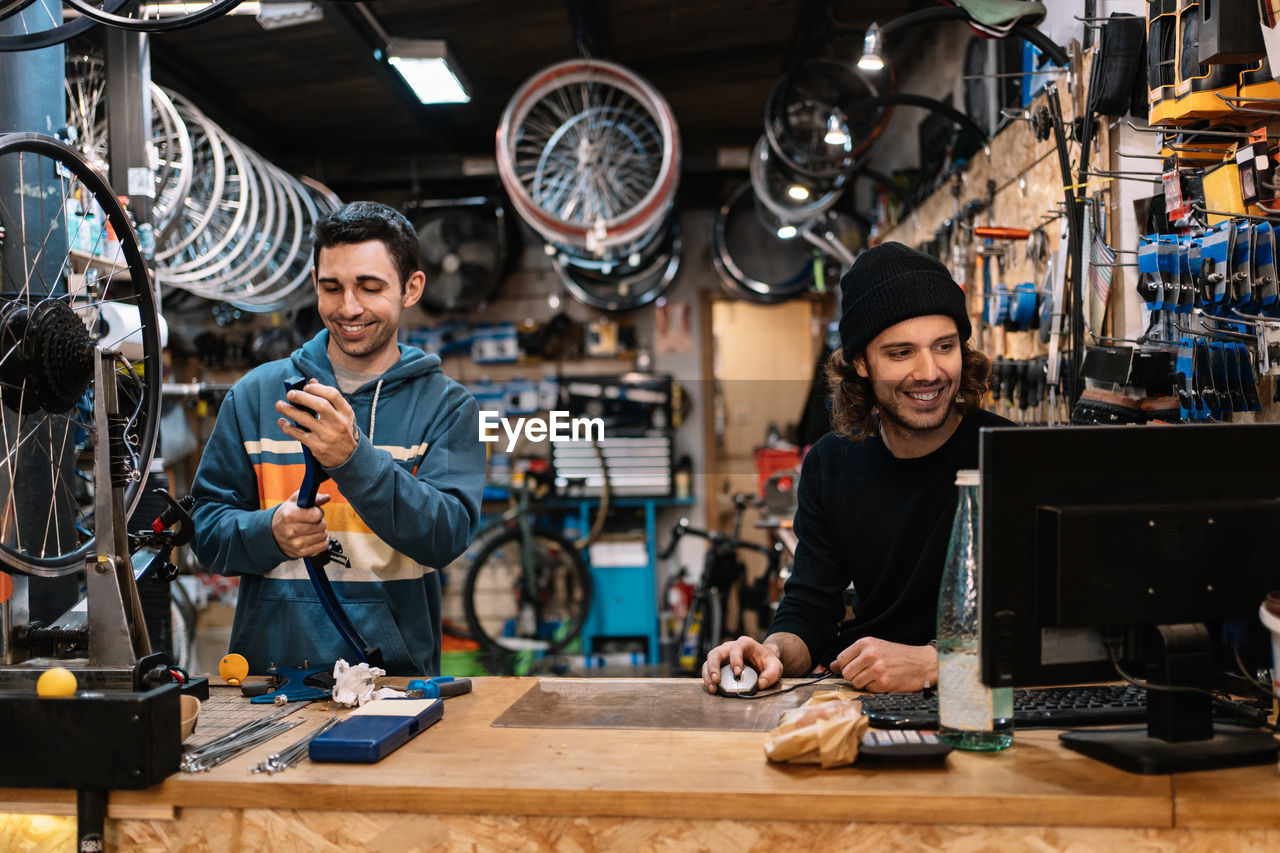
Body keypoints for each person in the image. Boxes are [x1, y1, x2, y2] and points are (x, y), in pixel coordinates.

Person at [704, 241, 1012, 694]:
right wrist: (771, 651)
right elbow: (810, 609)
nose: (929, 372)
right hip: (865, 702)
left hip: (985, 702)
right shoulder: (831, 464)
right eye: (901, 353)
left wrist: (937, 663)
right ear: (861, 363)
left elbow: (1050, 625)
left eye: (944, 346)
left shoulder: (1007, 454)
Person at [191, 201, 484, 676]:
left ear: (411, 288)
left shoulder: (446, 407)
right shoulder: (254, 396)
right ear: (315, 284)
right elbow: (205, 533)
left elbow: (445, 537)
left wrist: (353, 459)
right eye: (332, 288)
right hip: (269, 678)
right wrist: (270, 532)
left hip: (394, 681)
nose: (349, 308)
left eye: (370, 288)